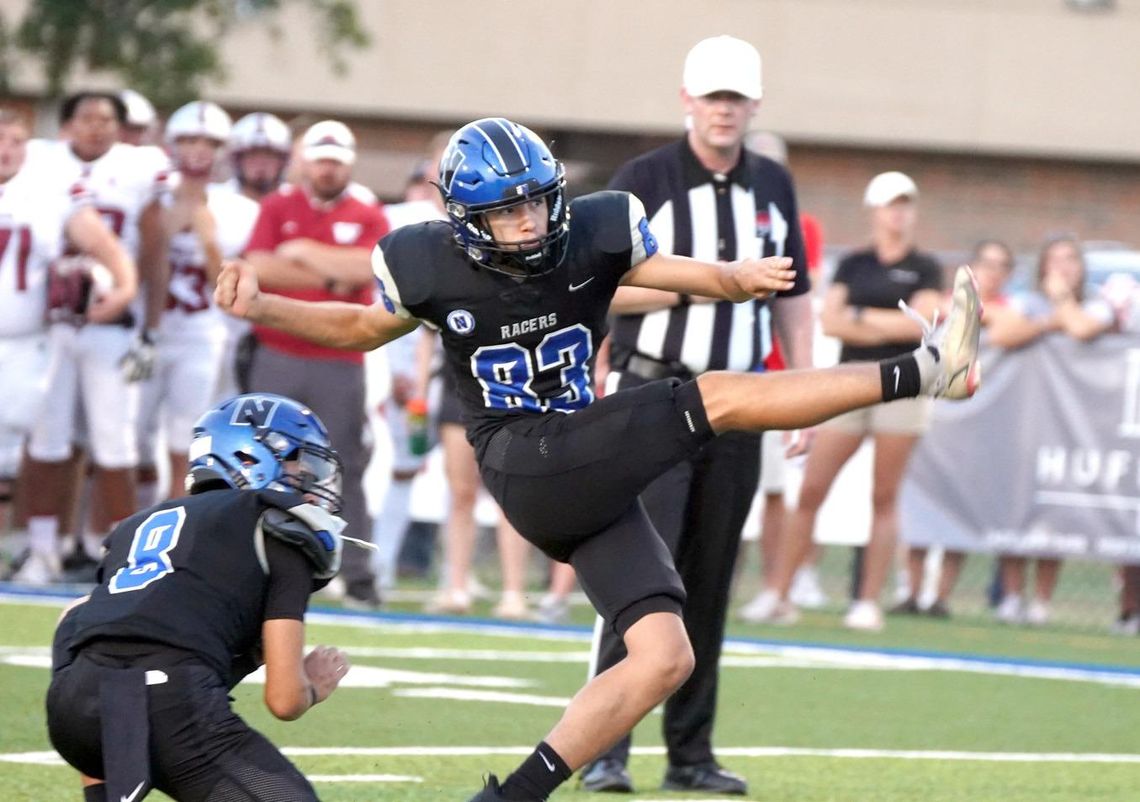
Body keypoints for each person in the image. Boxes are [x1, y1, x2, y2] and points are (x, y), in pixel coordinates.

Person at [215, 116, 982, 802]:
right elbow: (357, 328)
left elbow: (681, 274)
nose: (527, 219)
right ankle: (921, 370)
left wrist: (735, 279)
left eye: (536, 200)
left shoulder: (595, 229)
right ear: (465, 218)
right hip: (523, 456)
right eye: (506, 209)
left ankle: (511, 797)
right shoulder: (425, 262)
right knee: (715, 397)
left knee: (662, 655)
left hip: (584, 466)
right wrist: (263, 305)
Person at [582, 36, 814, 795]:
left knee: (710, 581)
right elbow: (599, 288)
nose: (723, 110)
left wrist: (804, 387)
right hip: (657, 394)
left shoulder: (774, 184)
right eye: (712, 96)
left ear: (753, 106)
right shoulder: (643, 180)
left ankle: (690, 752)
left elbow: (796, 298)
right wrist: (707, 284)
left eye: (735, 98)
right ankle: (607, 747)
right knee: (642, 581)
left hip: (740, 405)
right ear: (687, 100)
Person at [46, 393, 352, 802]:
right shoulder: (280, 528)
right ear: (252, 457)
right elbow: (284, 699)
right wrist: (314, 685)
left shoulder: (139, 525)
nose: (310, 480)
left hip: (73, 705)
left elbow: (79, 617)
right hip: (164, 701)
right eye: (299, 462)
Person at [749, 171, 945, 632]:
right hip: (852, 382)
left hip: (905, 384)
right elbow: (832, 321)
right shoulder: (855, 264)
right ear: (874, 210)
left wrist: (860, 317)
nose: (899, 213)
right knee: (812, 489)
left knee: (884, 496)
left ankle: (867, 602)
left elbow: (917, 326)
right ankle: (778, 594)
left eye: (905, 204)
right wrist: (873, 320)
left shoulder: (926, 267)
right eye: (891, 204)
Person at [15, 92, 166, 584]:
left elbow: (154, 246)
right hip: (50, 322)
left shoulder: (141, 168)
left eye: (106, 120)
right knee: (46, 440)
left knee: (115, 443)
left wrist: (148, 322)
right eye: (86, 118)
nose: (96, 128)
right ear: (67, 124)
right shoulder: (39, 161)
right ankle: (42, 550)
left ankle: (120, 554)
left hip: (113, 326)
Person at [242, 119, 389, 608]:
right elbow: (258, 266)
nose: (328, 169)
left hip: (339, 355)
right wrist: (334, 275)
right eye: (321, 159)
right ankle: (255, 558)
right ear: (306, 161)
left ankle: (357, 571)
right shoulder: (278, 205)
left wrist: (305, 254)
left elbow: (370, 267)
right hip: (278, 350)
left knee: (343, 461)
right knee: (261, 458)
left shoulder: (366, 212)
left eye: (336, 161)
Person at [0, 109, 137, 571]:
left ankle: (38, 550)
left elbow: (107, 247)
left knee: (34, 449)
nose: (5, 151)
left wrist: (122, 291)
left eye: (15, 142)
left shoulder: (49, 194)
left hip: (28, 342)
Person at [135, 101, 260, 504]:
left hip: (204, 334)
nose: (198, 150)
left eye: (209, 141)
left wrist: (208, 241)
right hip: (146, 331)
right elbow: (136, 271)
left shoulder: (241, 209)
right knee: (129, 437)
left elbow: (227, 286)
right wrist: (164, 231)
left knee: (186, 436)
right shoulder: (150, 197)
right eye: (188, 139)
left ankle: (174, 519)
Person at [989, 234, 1115, 626]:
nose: (1063, 267)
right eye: (1055, 259)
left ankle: (1042, 600)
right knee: (1014, 506)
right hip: (1025, 418)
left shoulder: (1095, 301)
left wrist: (1063, 304)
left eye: (1071, 259)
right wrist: (1049, 320)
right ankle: (1011, 596)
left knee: (1057, 510)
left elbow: (1081, 327)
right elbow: (1002, 334)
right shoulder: (1027, 302)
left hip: (1072, 424)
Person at [894, 239, 1016, 617]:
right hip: (931, 416)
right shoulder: (944, 299)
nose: (991, 271)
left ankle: (941, 596)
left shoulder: (1010, 308)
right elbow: (922, 313)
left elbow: (1014, 328)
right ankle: (911, 591)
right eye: (985, 263)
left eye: (1000, 265)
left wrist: (975, 314)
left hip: (974, 424)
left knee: (955, 507)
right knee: (915, 501)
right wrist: (963, 310)